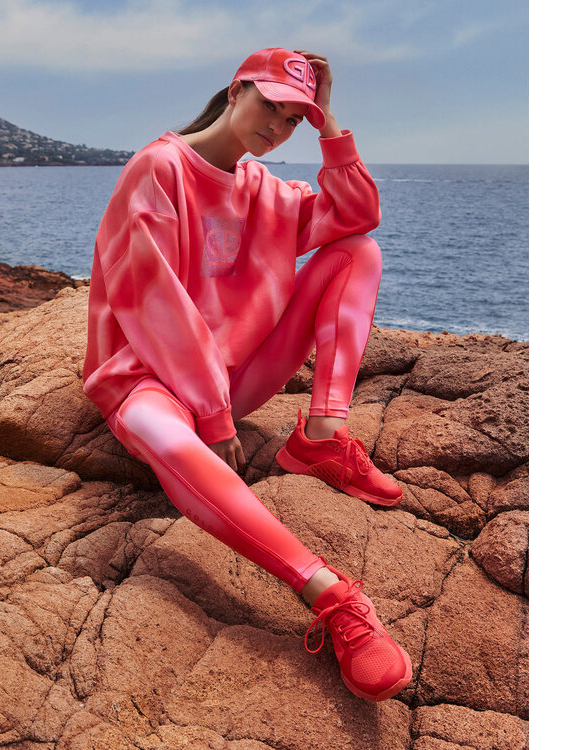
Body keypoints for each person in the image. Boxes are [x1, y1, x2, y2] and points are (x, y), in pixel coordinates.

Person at [83, 47, 411, 702]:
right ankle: (331, 595)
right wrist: (211, 414)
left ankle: (323, 437)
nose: (278, 127)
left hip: (233, 381)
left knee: (358, 253)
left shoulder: (263, 189)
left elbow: (357, 216)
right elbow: (155, 305)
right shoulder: (158, 168)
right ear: (236, 92)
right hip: (147, 379)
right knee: (165, 433)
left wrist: (329, 125)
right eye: (272, 106)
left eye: (293, 120)